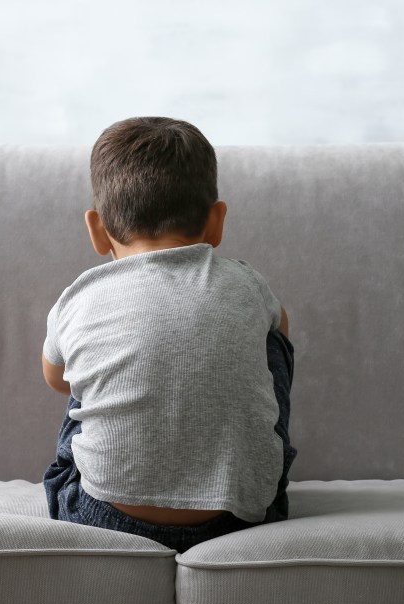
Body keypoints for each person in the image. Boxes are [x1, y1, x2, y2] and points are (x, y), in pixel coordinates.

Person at [41, 116, 296, 553]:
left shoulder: (79, 296)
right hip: (241, 520)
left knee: (80, 370)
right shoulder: (249, 284)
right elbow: (283, 345)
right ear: (217, 221)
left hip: (102, 516)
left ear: (98, 230)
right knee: (271, 338)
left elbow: (53, 379)